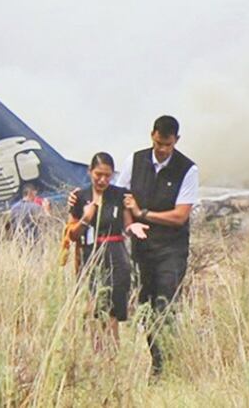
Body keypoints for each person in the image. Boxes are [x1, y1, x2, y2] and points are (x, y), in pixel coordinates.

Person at [120, 115, 199, 373]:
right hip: (142, 249)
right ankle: (157, 360)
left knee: (165, 304)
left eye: (167, 145)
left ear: (176, 140)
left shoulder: (187, 169)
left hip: (171, 250)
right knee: (146, 305)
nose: (162, 150)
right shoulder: (135, 160)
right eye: (158, 143)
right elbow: (122, 197)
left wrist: (143, 214)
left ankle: (164, 366)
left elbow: (179, 216)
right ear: (152, 135)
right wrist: (131, 223)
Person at [67, 152, 148, 345]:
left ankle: (112, 353)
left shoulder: (120, 195)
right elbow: (71, 234)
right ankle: (94, 350)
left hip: (115, 253)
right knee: (93, 307)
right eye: (98, 175)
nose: (103, 180)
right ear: (89, 172)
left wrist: (133, 227)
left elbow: (127, 225)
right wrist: (86, 219)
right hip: (90, 254)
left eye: (107, 175)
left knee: (112, 308)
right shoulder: (80, 197)